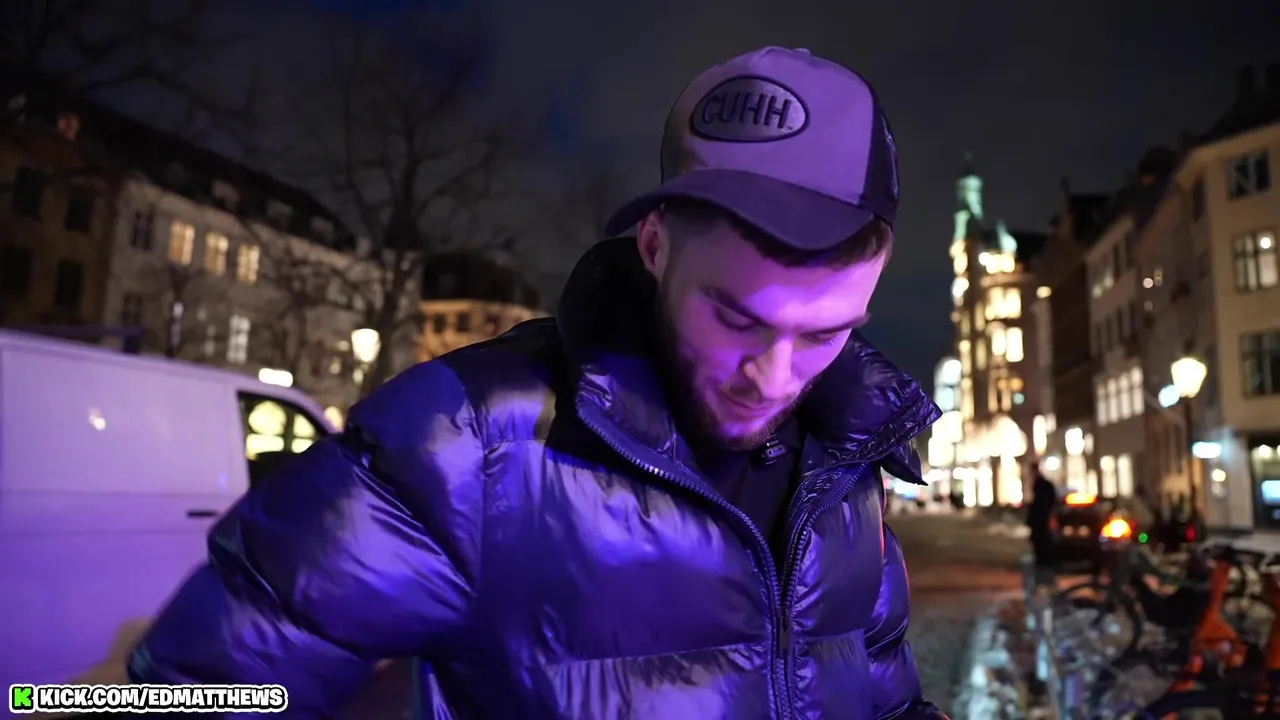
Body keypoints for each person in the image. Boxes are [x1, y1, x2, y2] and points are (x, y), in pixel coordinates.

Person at [127, 46, 946, 719]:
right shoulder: (463, 446)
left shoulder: (849, 468)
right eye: (734, 317)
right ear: (655, 247)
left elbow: (886, 697)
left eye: (826, 333)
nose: (773, 377)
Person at [1026, 466, 1059, 574]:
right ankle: (1044, 566)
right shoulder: (1042, 485)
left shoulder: (1041, 485)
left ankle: (1044, 567)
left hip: (1041, 521)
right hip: (1041, 521)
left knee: (1042, 544)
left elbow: (1040, 504)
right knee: (1042, 543)